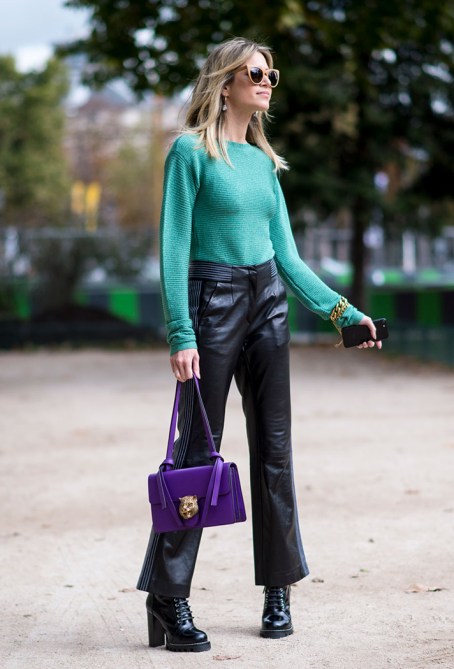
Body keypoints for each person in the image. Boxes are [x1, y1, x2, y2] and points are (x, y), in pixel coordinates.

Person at [137, 36, 382, 653]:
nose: (267, 81)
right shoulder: (189, 153)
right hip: (212, 303)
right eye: (255, 73)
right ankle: (167, 596)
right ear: (226, 83)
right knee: (198, 450)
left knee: (275, 450)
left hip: (268, 303)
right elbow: (172, 247)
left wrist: (344, 313)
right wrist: (180, 331)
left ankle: (278, 589)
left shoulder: (264, 165)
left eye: (272, 73)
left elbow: (288, 259)